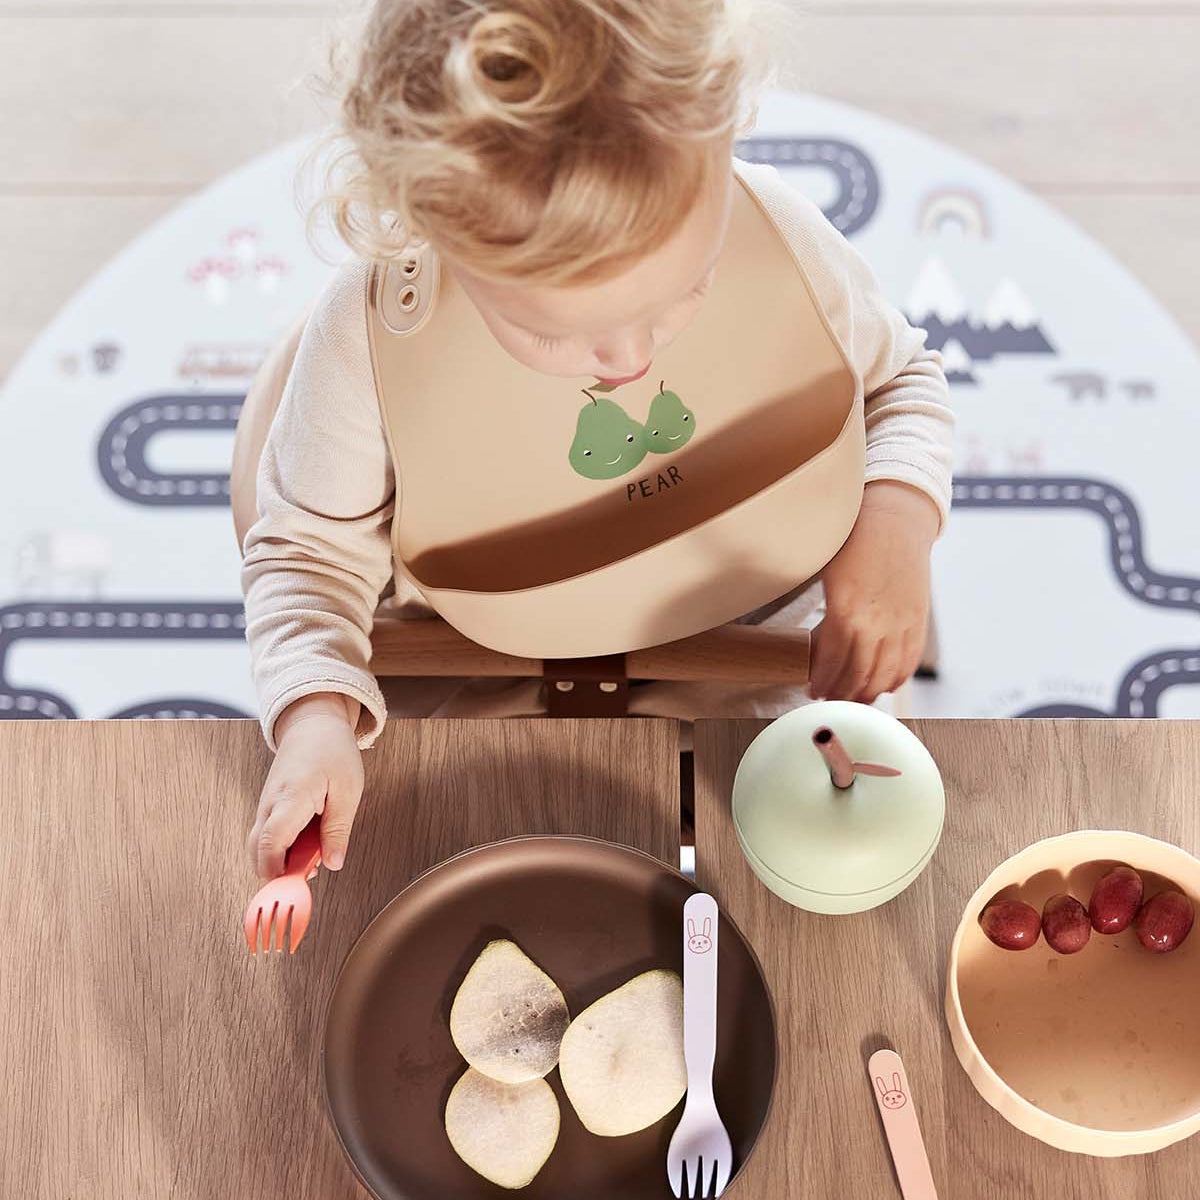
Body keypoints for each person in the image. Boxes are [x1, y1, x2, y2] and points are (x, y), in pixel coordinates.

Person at [241, 0, 954, 880]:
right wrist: (314, 717)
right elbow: (308, 560)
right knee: (438, 876)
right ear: (429, 223)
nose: (630, 361)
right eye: (556, 334)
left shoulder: (778, 233)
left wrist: (896, 521)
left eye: (683, 292)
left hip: (758, 634)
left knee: (850, 860)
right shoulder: (367, 343)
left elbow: (898, 384)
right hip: (481, 659)